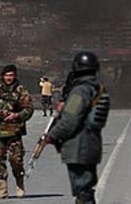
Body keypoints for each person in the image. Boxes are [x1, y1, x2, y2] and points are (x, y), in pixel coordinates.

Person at [45, 51, 110, 204]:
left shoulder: (80, 91)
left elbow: (70, 120)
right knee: (86, 188)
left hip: (78, 145)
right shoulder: (98, 89)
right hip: (91, 143)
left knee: (82, 191)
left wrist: (51, 135)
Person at [0, 64, 34, 200]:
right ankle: (2, 189)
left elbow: (28, 109)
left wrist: (16, 115)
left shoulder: (21, 91)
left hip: (13, 132)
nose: (9, 78)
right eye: (7, 75)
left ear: (15, 76)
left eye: (11, 75)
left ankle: (20, 185)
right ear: (3, 76)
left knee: (16, 160)